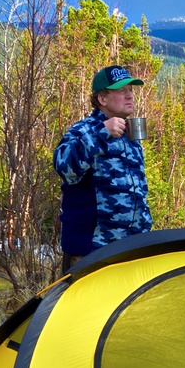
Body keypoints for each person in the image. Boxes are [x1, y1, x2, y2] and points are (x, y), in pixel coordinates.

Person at [54, 64, 152, 273]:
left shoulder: (130, 135)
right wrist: (101, 133)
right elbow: (64, 167)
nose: (129, 96)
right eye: (121, 90)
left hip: (132, 249)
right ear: (102, 99)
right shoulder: (84, 130)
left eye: (131, 90)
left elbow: (137, 192)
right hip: (93, 251)